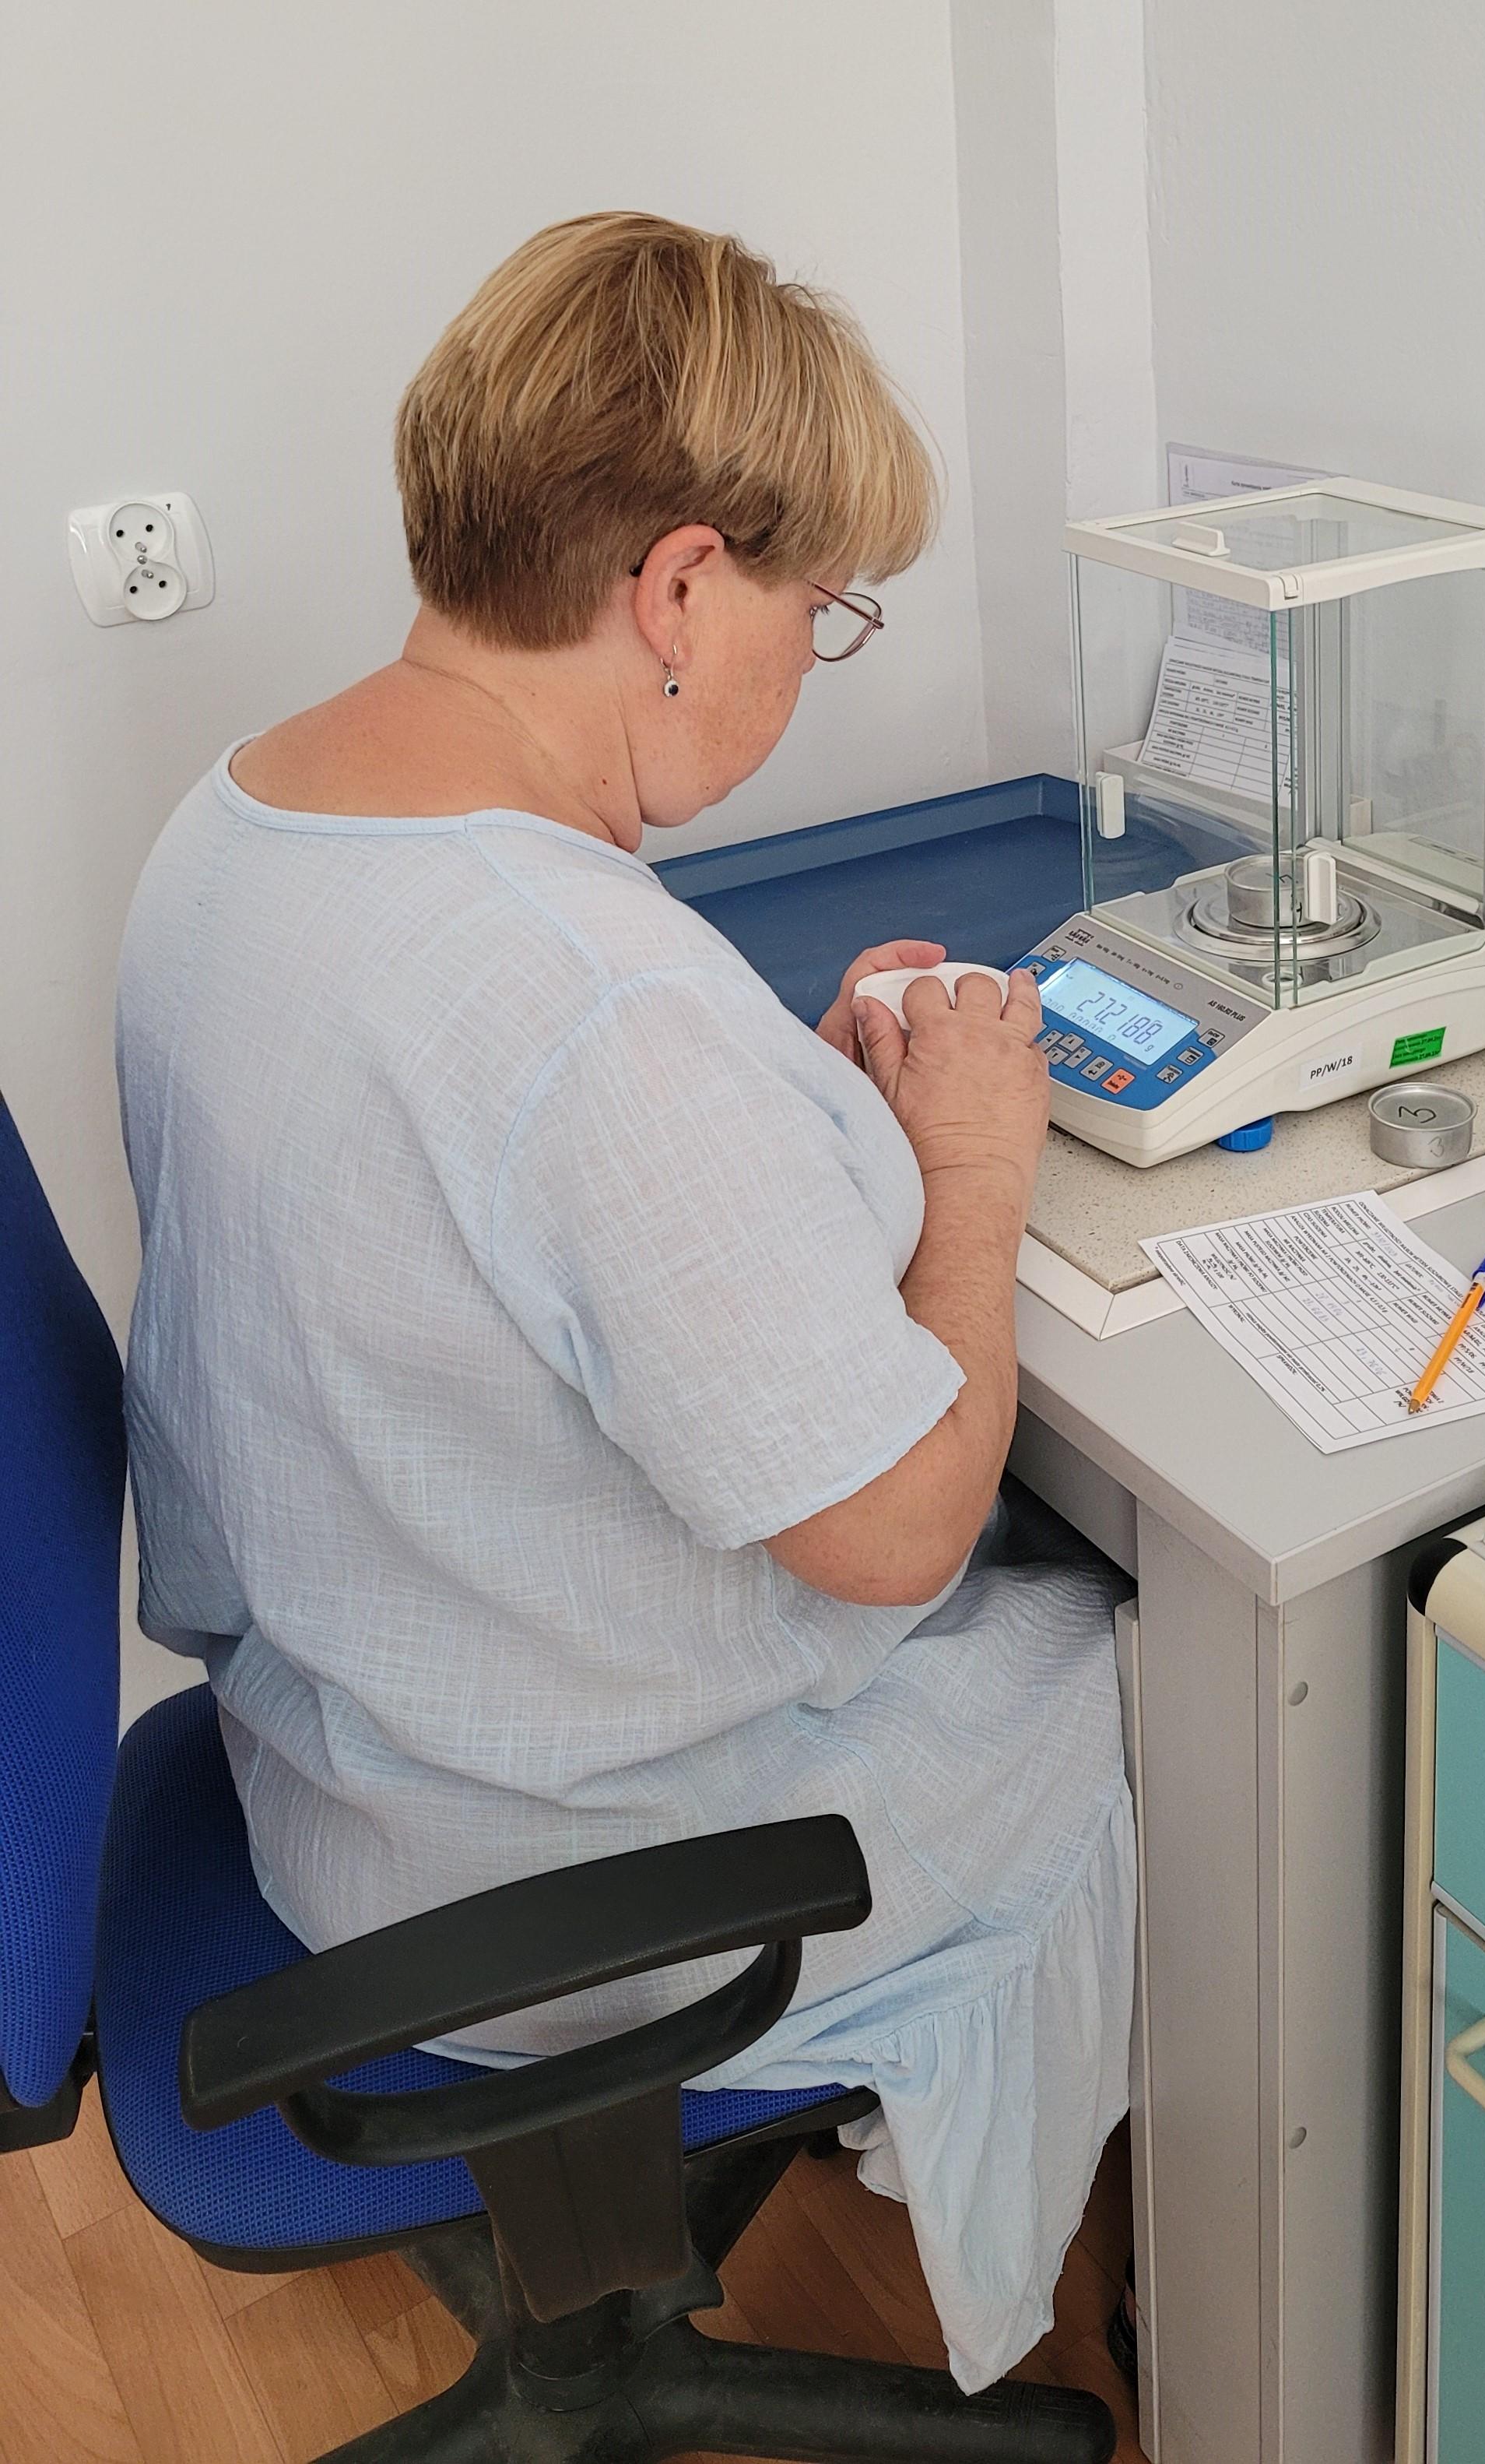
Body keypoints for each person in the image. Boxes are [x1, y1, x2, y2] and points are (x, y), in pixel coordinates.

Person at [114, 212, 1132, 2392]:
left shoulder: (243, 816)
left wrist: (797, 1121)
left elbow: (494, 1200)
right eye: (819, 609)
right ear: (677, 589)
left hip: (336, 1751)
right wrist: (967, 1174)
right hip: (544, 1887)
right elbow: (894, 1532)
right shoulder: (592, 998)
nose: (810, 660)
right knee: (1157, 1659)